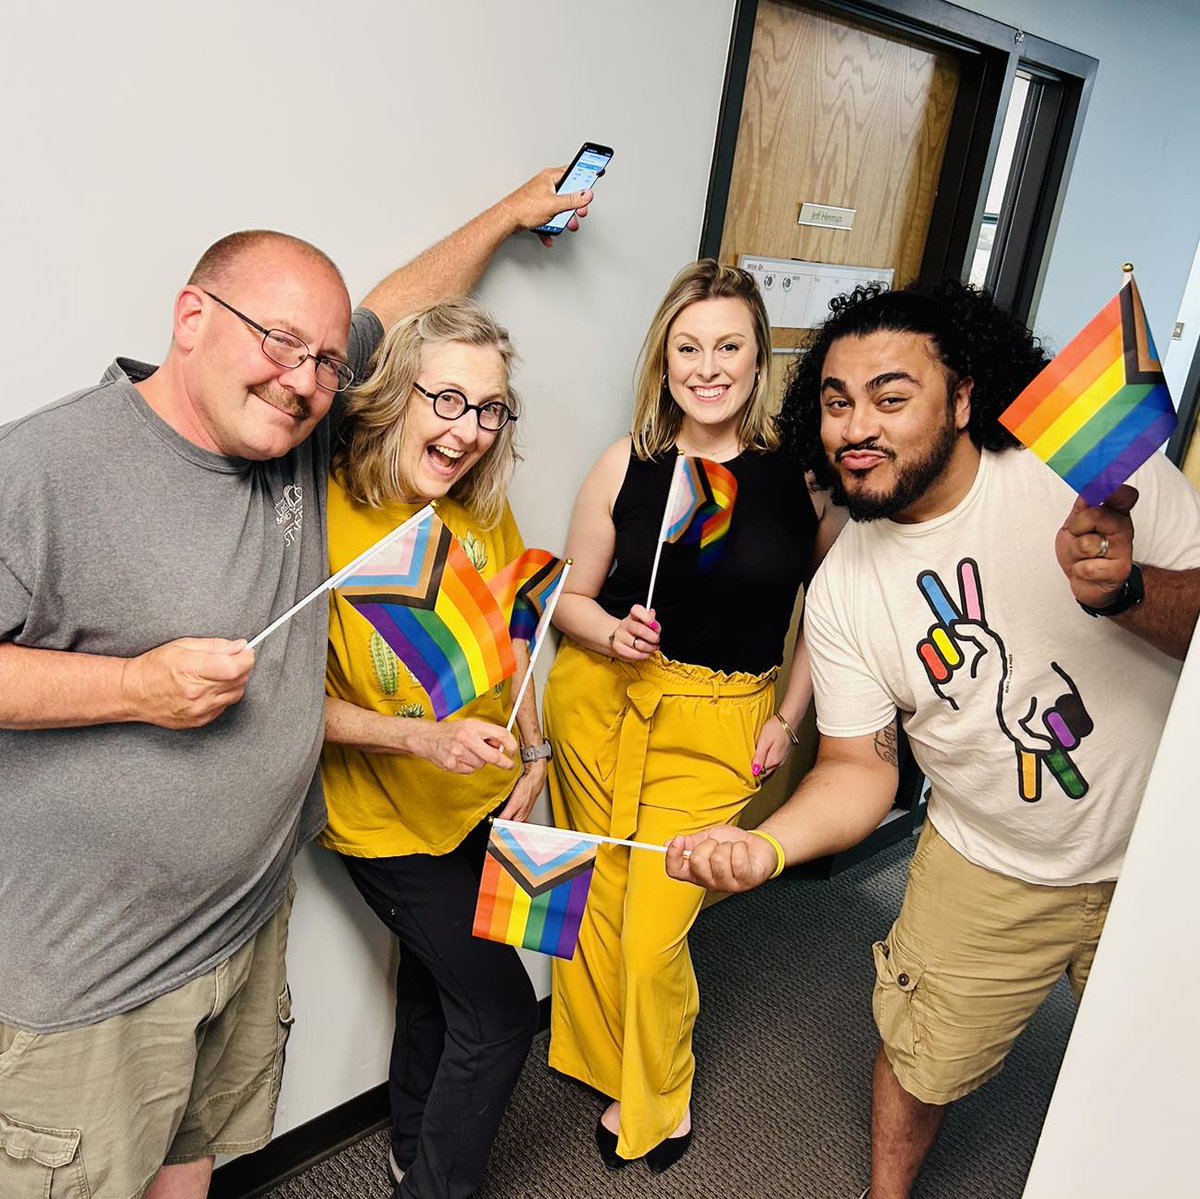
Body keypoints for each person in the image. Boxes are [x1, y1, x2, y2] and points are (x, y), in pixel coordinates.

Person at [0, 167, 592, 1199]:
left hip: (240, 926)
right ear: (191, 318)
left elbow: (397, 315)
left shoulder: (298, 441)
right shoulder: (50, 465)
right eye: (279, 342)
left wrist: (506, 212)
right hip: (90, 971)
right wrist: (133, 687)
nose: (302, 375)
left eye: (324, 359)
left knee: (193, 1164)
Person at [665, 278, 1200, 1199]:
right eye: (836, 402)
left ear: (961, 399)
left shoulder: (1089, 474)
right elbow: (855, 768)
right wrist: (765, 842)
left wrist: (1124, 590)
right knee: (918, 1059)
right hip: (986, 860)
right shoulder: (843, 590)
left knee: (1163, 1082)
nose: (855, 426)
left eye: (890, 395)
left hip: (1167, 848)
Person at [541, 259, 845, 1172]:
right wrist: (608, 630)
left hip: (719, 723)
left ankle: (660, 1093)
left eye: (728, 347)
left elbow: (825, 626)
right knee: (592, 905)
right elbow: (568, 596)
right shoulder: (625, 463)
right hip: (604, 702)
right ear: (662, 360)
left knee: (652, 928)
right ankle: (611, 1065)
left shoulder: (803, 485)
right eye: (688, 347)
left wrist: (787, 721)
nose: (707, 366)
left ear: (759, 362)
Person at [320, 298, 550, 1199]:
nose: (468, 431)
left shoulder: (480, 506)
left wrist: (534, 749)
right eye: (447, 400)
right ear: (396, 396)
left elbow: (514, 629)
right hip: (382, 821)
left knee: (436, 984)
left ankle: (410, 1142)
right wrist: (422, 737)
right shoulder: (328, 512)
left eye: (490, 408)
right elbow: (291, 703)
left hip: (477, 799)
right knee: (498, 1014)